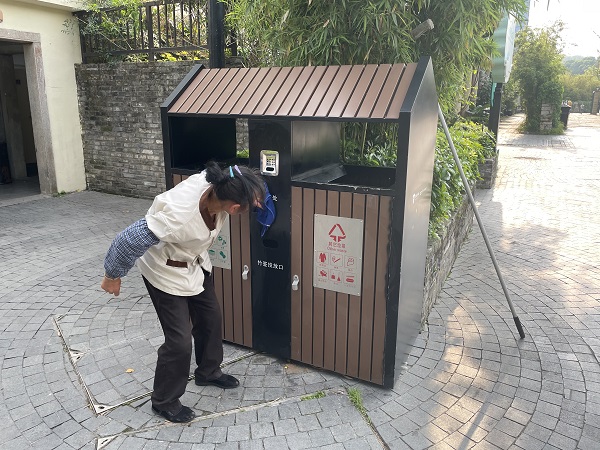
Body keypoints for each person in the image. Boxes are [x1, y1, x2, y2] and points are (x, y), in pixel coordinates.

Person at [101, 161, 266, 423]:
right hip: (164, 272)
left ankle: (208, 372)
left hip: (194, 263)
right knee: (178, 342)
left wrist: (255, 195)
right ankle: (164, 401)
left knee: (210, 318)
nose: (254, 206)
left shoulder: (219, 181)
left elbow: (241, 177)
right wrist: (112, 275)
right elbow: (128, 240)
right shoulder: (179, 216)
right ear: (234, 208)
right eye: (250, 205)